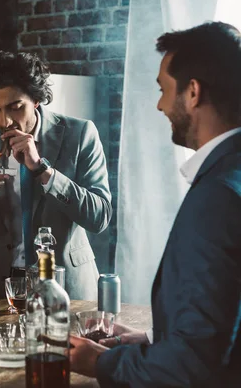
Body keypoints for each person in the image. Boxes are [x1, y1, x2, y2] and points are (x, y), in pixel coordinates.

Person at [70, 22, 241, 387]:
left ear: (193, 92)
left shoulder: (217, 197)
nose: (160, 104)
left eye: (164, 90)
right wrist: (149, 340)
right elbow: (224, 327)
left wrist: (103, 362)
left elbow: (194, 363)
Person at [0, 51, 112, 299]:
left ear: (36, 100)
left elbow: (99, 218)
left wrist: (42, 170)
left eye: (15, 107)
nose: (6, 121)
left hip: (68, 289)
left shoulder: (80, 134)